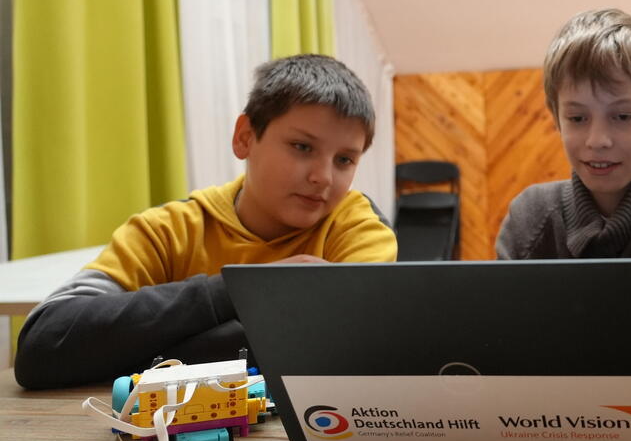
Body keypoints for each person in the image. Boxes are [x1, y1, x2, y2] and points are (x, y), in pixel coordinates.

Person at [15, 54, 397, 389]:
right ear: (245, 137)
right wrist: (239, 291)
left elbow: (341, 353)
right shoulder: (167, 230)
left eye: (345, 160)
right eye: (302, 147)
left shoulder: (356, 227)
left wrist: (133, 350)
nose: (324, 177)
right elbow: (44, 344)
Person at [495, 9, 631, 366]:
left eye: (622, 116)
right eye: (578, 118)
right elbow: (503, 335)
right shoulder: (529, 213)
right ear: (555, 118)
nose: (598, 140)